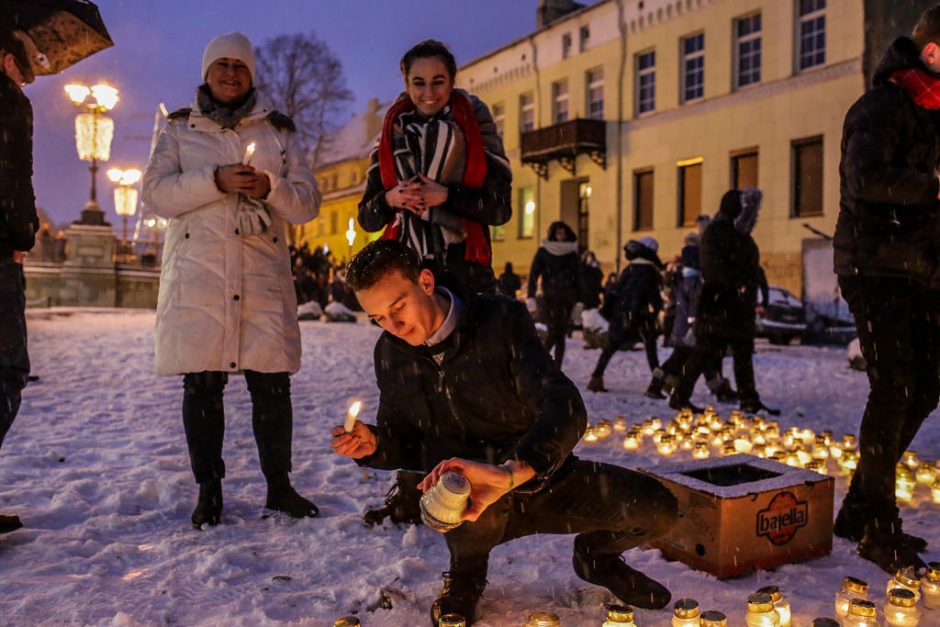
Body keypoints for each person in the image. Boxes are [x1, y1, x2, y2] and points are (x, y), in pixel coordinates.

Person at [331, 240, 678, 626]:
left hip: (539, 473)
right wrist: (376, 445)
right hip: (473, 497)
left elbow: (564, 406)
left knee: (659, 508)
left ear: (425, 281)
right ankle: (466, 575)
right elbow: (408, 441)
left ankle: (597, 556)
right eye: (377, 318)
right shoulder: (391, 353)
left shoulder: (499, 320)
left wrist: (517, 469)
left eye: (397, 308)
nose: (392, 327)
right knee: (462, 490)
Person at [143, 32, 321, 528]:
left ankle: (279, 486)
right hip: (199, 276)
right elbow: (154, 195)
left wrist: (271, 187)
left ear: (251, 75)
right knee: (202, 384)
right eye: (220, 65)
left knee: (272, 385)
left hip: (260, 274)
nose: (229, 73)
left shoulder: (279, 132)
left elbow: (307, 203)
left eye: (239, 66)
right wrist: (213, 181)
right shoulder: (179, 130)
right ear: (206, 73)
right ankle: (209, 488)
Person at [830, 6, 940, 575]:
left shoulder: (933, 117)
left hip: (920, 270)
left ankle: (858, 505)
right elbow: (866, 179)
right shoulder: (878, 107)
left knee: (926, 384)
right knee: (894, 386)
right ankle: (878, 525)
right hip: (873, 266)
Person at [358, 39, 511, 295]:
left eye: (438, 81)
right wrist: (389, 199)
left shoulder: (476, 125)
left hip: (466, 278)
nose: (428, 92)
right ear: (406, 84)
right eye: (419, 83)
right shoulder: (389, 135)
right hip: (407, 277)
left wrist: (446, 196)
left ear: (452, 81)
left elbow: (499, 209)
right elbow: (367, 218)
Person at [668, 190, 777, 416]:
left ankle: (748, 398)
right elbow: (718, 269)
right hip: (720, 303)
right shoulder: (719, 233)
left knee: (741, 353)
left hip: (734, 304)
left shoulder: (734, 234)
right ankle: (680, 397)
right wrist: (737, 285)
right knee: (705, 351)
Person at [0, 29, 37, 535]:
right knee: (7, 370)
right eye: (24, 70)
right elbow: (13, 174)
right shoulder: (9, 103)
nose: (26, 81)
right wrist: (20, 232)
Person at [646, 228, 738, 403]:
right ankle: (718, 390)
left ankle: (658, 384)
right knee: (694, 359)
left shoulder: (682, 278)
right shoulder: (694, 282)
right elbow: (694, 307)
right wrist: (695, 325)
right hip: (690, 329)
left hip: (683, 328)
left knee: (692, 360)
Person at [587, 237, 662, 393]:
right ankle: (657, 384)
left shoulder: (629, 269)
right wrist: (654, 310)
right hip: (641, 316)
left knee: (611, 347)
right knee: (651, 349)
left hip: (622, 314)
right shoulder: (650, 271)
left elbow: (618, 291)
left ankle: (596, 378)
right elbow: (651, 294)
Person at [526, 221, 584, 367]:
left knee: (560, 334)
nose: (561, 235)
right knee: (554, 332)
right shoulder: (544, 251)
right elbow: (533, 274)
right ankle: (545, 365)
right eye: (558, 232)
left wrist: (579, 301)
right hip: (550, 298)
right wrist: (531, 295)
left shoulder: (571, 253)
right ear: (553, 233)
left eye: (563, 232)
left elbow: (578, 278)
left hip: (567, 299)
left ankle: (550, 366)